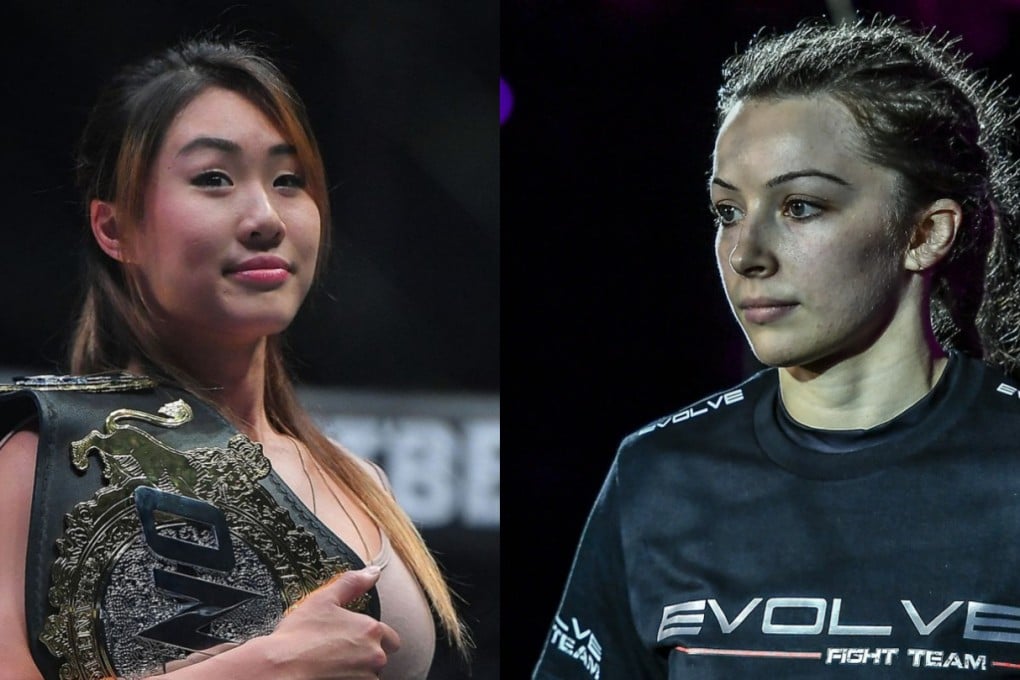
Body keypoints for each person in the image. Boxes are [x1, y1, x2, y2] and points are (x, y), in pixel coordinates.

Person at [532, 15, 1020, 679]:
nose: (746, 253)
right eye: (727, 211)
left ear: (925, 234)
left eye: (801, 206)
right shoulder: (662, 472)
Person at [0, 38, 469, 679]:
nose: (265, 217)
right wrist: (271, 664)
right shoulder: (31, 458)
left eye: (288, 180)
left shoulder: (362, 485)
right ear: (115, 228)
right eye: (213, 179)